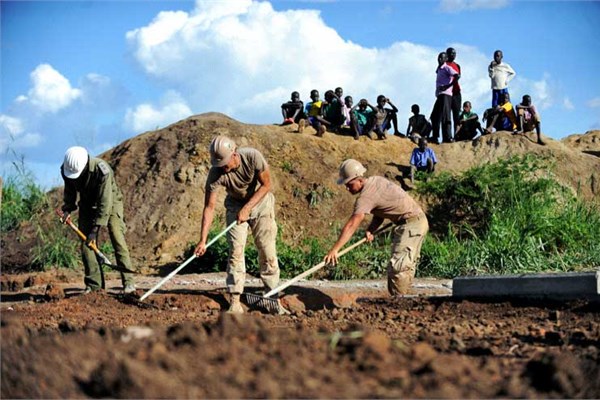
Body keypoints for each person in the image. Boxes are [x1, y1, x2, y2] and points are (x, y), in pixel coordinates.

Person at [194, 136, 281, 314]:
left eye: (226, 163)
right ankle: (235, 299)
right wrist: (202, 240)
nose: (223, 168)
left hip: (261, 204)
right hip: (235, 206)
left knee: (267, 249)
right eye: (219, 165)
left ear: (235, 154)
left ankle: (271, 295)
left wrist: (248, 207)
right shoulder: (216, 174)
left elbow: (266, 185)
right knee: (235, 250)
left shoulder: (253, 157)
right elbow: (209, 207)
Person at [324, 159, 429, 295]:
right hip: (414, 222)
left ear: (359, 180)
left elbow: (352, 225)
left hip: (412, 224)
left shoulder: (366, 197)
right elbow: (380, 212)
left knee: (399, 267)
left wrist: (335, 250)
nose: (347, 188)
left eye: (349, 184)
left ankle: (400, 304)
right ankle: (403, 299)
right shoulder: (375, 181)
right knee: (403, 266)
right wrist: (371, 229)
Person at [59, 146, 136, 294]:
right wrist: (67, 209)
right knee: (87, 244)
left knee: (117, 237)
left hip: (111, 203)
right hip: (87, 204)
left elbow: (105, 202)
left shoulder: (102, 171)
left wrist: (95, 229)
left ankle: (129, 283)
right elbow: (70, 191)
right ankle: (94, 286)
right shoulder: (67, 169)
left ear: (86, 165)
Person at [431, 51, 459, 144]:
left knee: (446, 115)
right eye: (439, 58)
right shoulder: (439, 68)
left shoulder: (447, 67)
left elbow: (456, 75)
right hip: (440, 94)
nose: (440, 59)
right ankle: (435, 136)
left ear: (446, 59)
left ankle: (447, 137)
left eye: (442, 58)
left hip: (446, 94)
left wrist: (448, 86)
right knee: (434, 115)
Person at [445, 47, 462, 135]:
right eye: (452, 53)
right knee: (447, 115)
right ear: (447, 54)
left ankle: (457, 134)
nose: (453, 55)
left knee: (456, 114)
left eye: (455, 53)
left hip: (456, 92)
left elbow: (459, 77)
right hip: (447, 93)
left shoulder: (457, 65)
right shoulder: (444, 65)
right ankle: (448, 135)